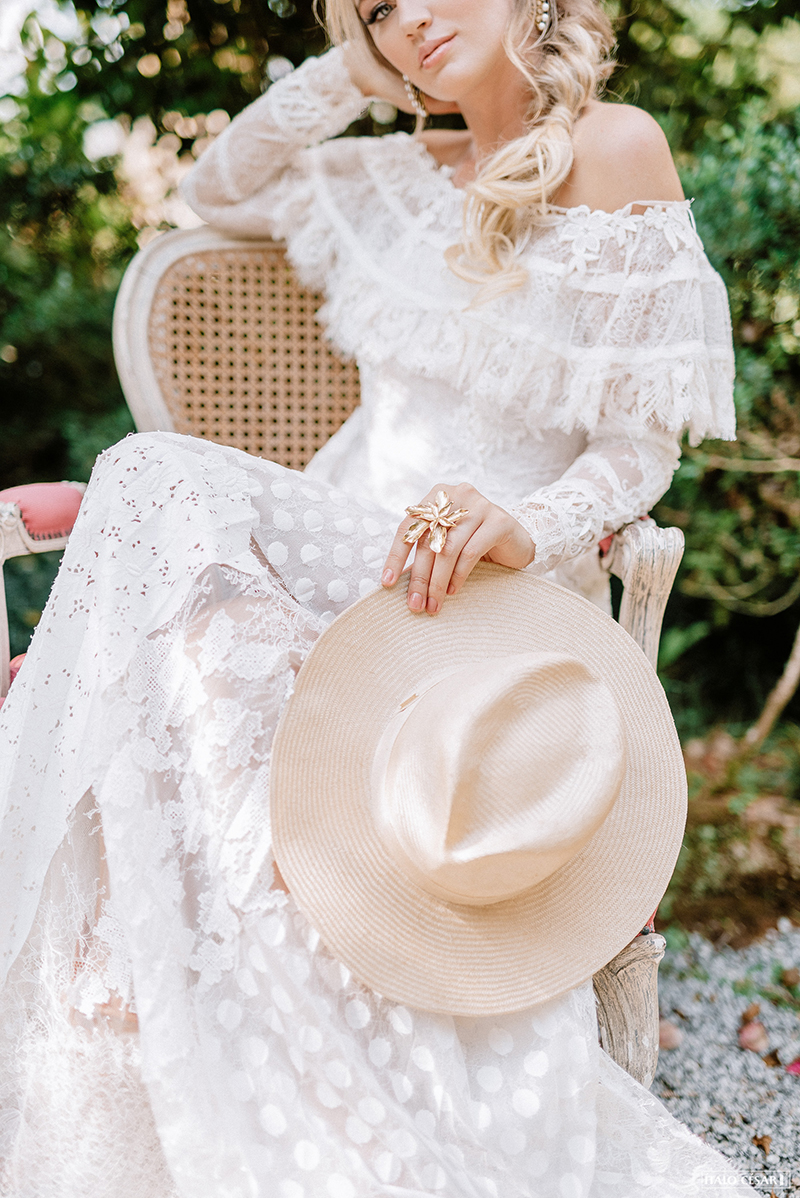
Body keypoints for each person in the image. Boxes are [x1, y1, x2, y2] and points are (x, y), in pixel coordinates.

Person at [0, 0, 752, 1194]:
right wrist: (354, 65)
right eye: (375, 9)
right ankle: (177, 1038)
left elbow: (635, 447)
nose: (407, 20)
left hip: (484, 581)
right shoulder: (392, 175)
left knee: (147, 475)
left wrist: (532, 524)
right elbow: (220, 188)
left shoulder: (615, 146)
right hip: (336, 545)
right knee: (172, 588)